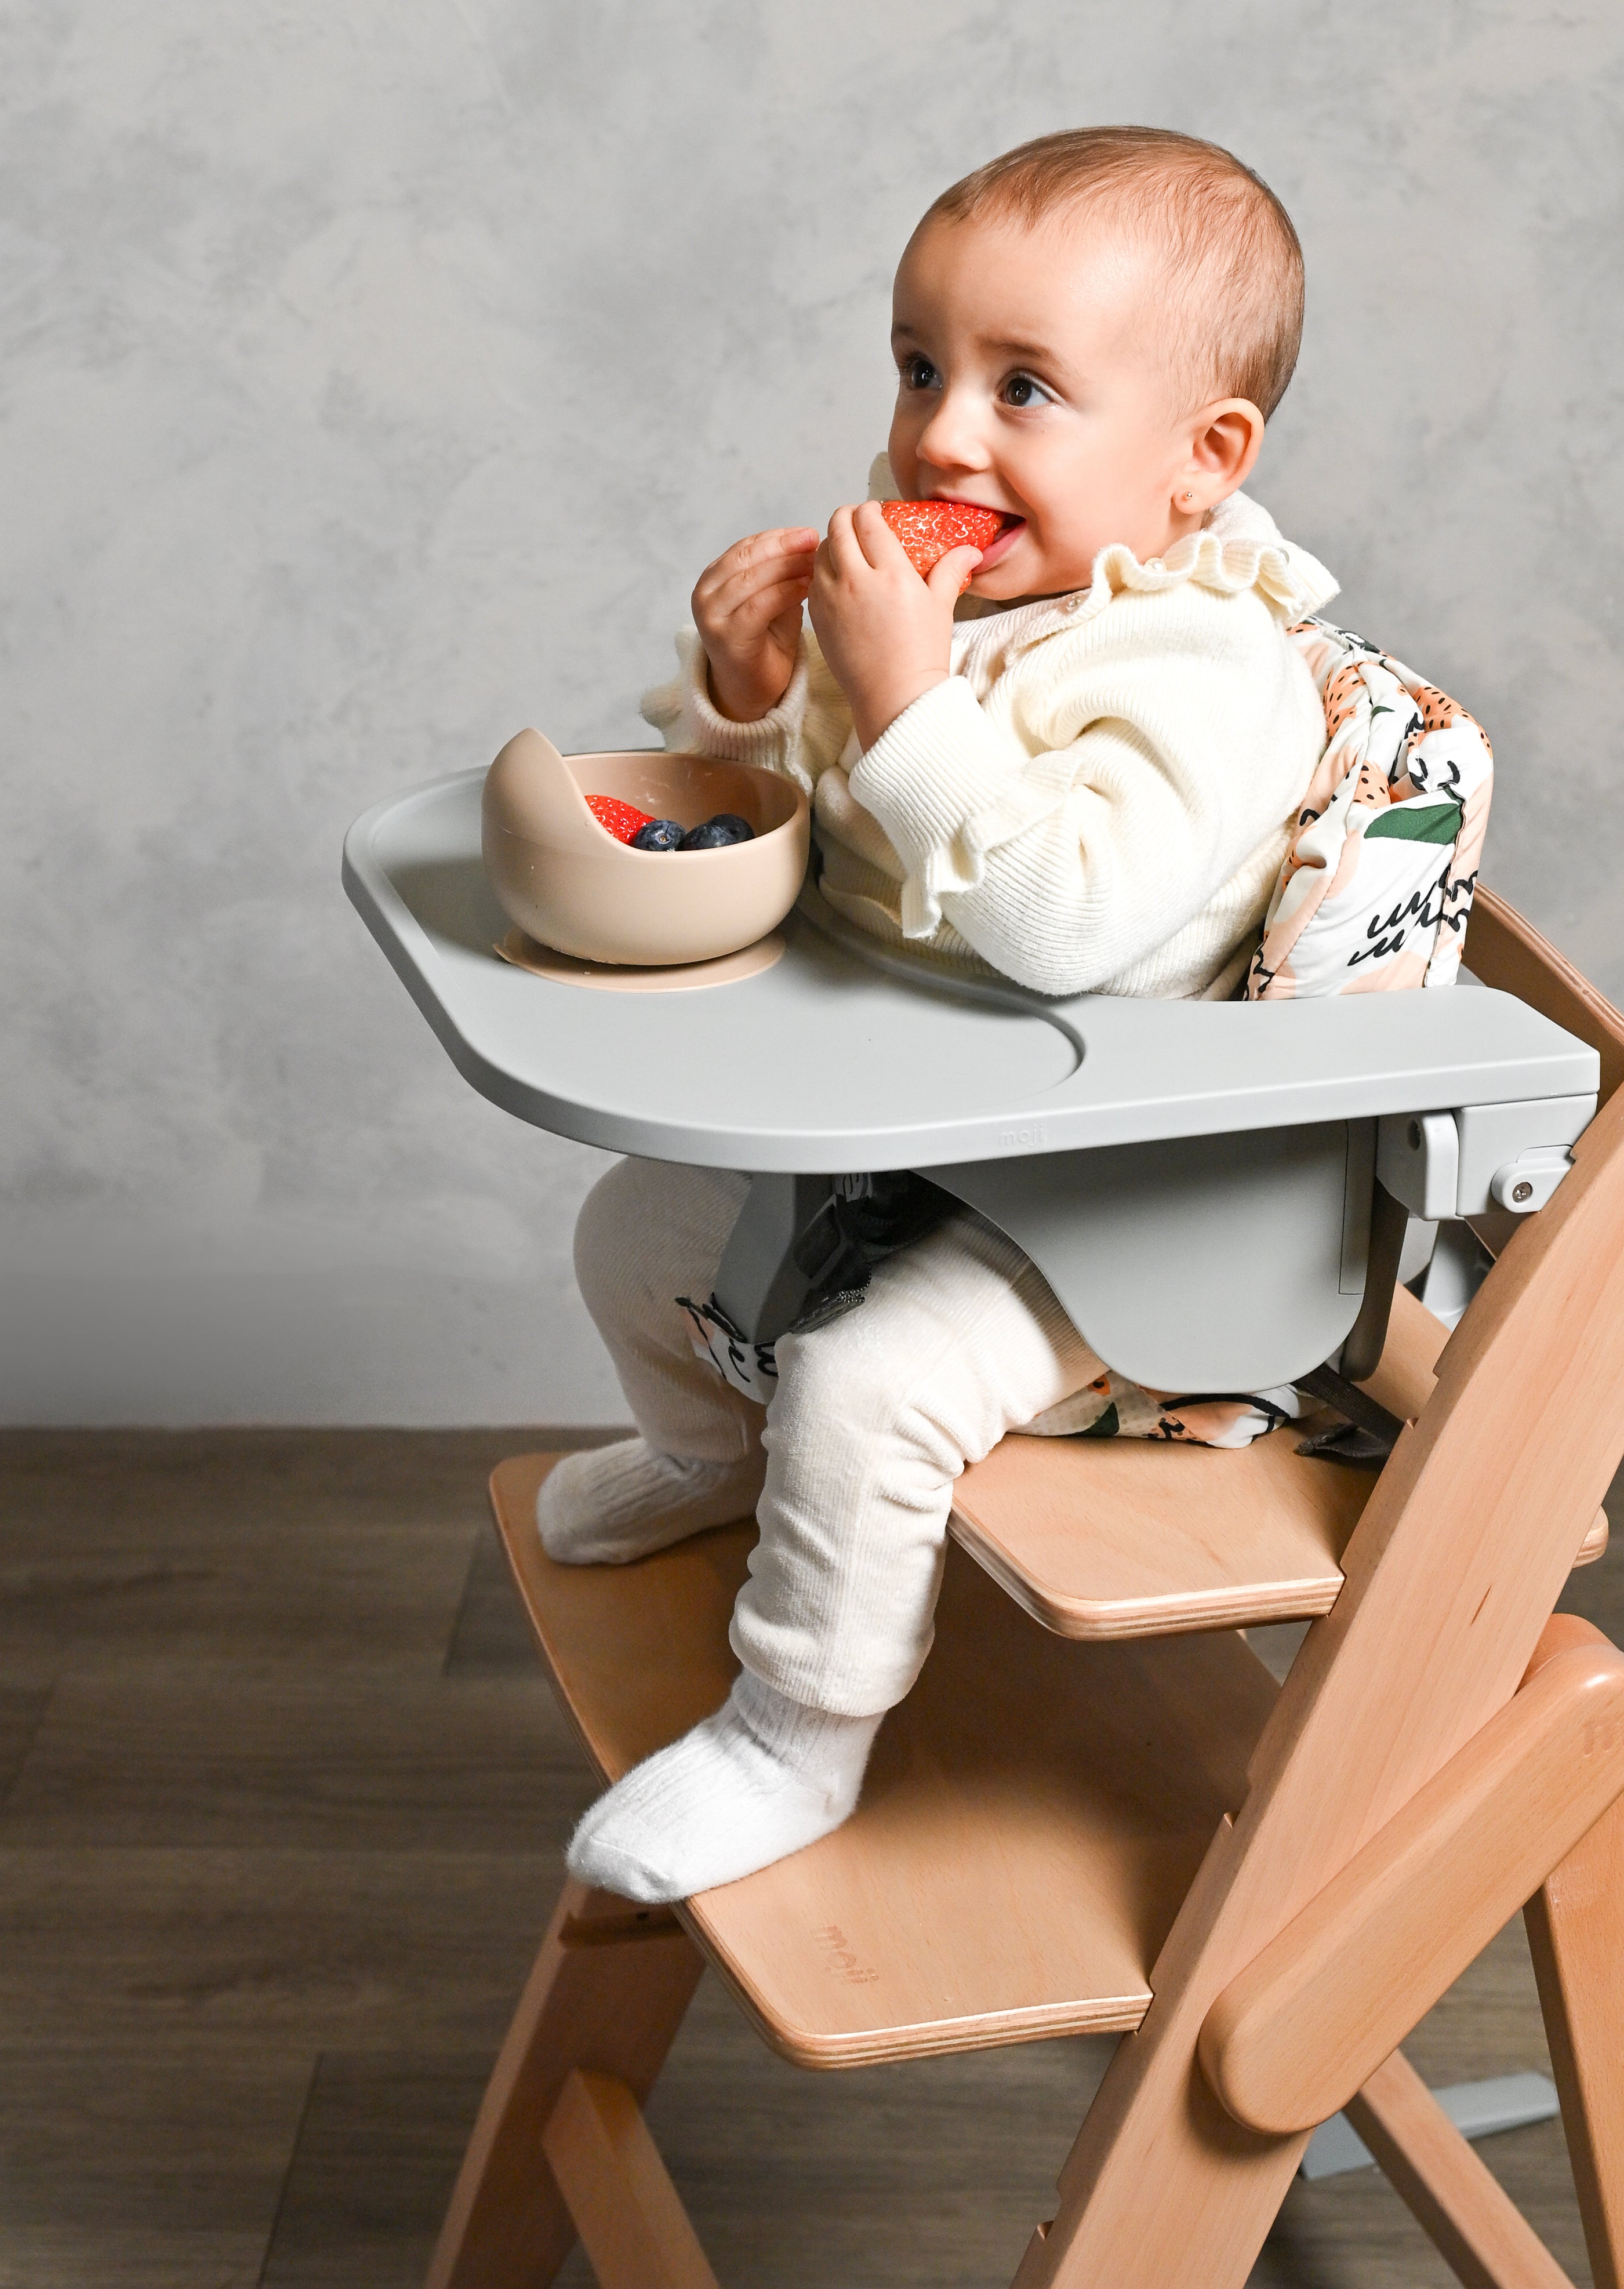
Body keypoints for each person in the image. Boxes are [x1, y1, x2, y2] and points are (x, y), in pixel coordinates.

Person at [547, 126, 1337, 1902]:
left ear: (1201, 462)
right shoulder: (968, 602)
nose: (939, 435)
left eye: (1024, 388)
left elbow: (1068, 921)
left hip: (1119, 1186)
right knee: (636, 1233)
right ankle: (704, 1456)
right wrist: (752, 696)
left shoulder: (1194, 667)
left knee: (867, 1382)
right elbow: (824, 839)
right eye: (921, 368)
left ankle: (793, 1740)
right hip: (911, 1116)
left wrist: (903, 698)